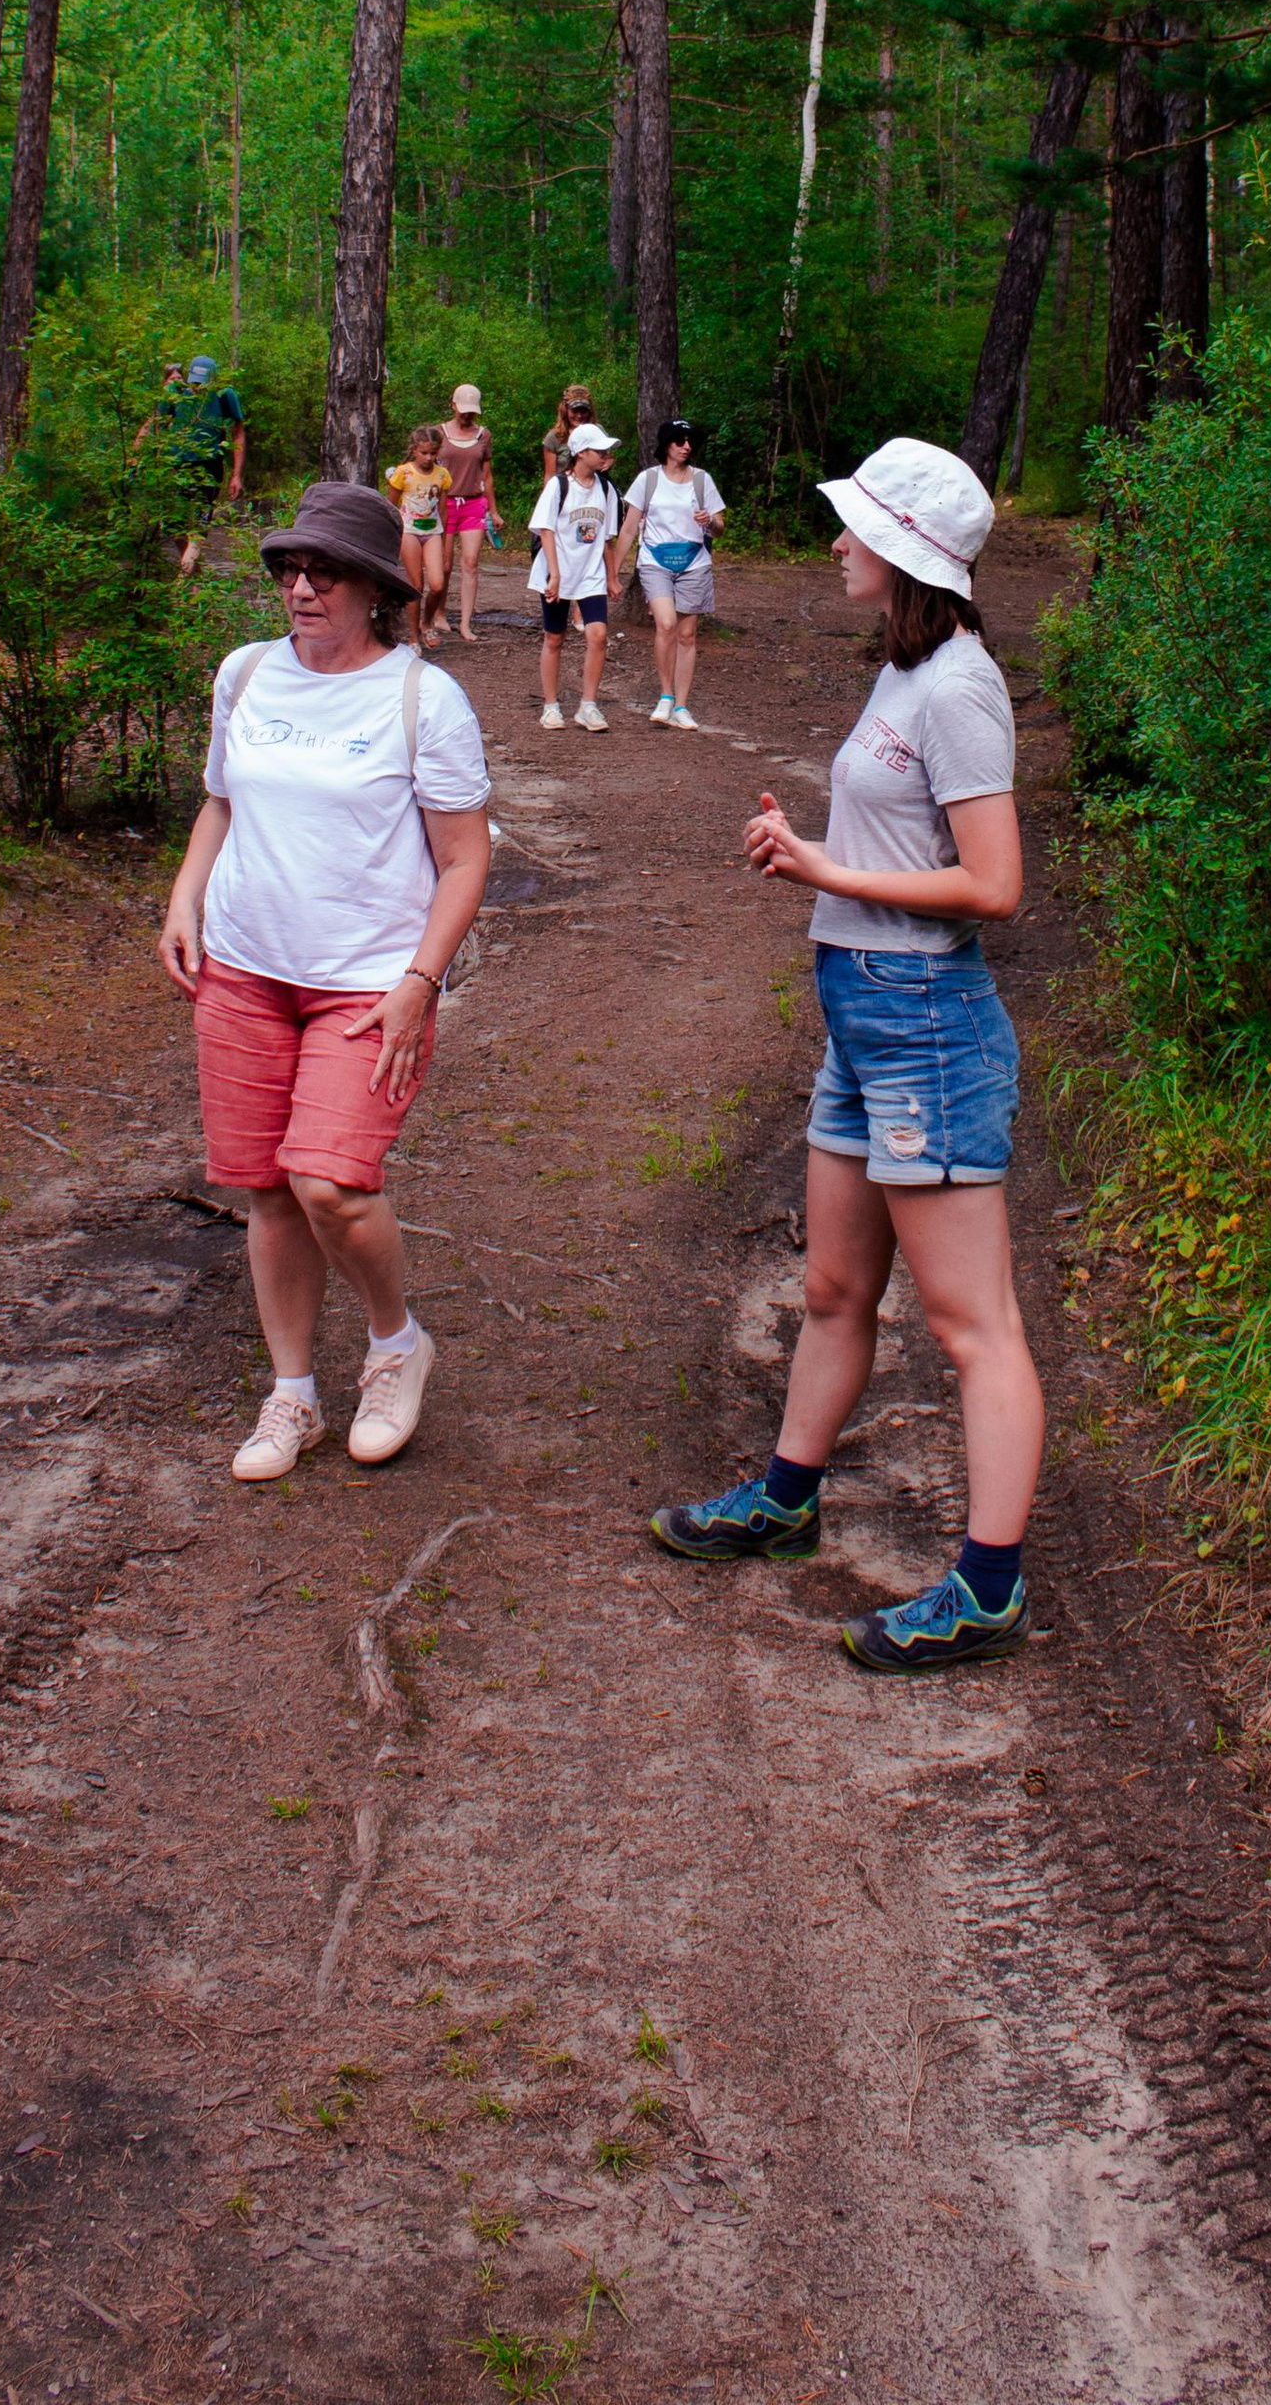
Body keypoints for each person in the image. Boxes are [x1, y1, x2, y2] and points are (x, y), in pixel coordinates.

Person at [649, 437, 1039, 1673]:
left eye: (852, 525)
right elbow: (903, 835)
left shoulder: (960, 689)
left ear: (907, 552)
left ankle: (987, 1589)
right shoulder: (903, 669)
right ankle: (785, 1499)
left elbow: (993, 884)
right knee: (831, 1290)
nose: (832, 541)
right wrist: (808, 844)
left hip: (924, 1017)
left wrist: (824, 869)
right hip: (864, 1016)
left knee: (972, 1325)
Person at [158, 479, 489, 1481]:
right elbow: (222, 802)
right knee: (263, 1189)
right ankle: (292, 1393)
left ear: (374, 587)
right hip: (247, 967)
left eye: (325, 572)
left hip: (367, 982)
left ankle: (395, 1345)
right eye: (290, 570)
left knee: (329, 1182)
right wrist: (183, 899)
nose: (301, 589)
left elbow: (466, 860)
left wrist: (420, 981)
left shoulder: (420, 697)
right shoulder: (246, 675)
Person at [615, 417, 725, 731]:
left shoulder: (702, 481)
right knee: (665, 624)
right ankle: (664, 695)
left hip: (694, 562)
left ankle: (681, 706)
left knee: (687, 635)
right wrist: (613, 572)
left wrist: (710, 522)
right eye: (680, 441)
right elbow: (627, 529)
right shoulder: (647, 480)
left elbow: (719, 526)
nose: (686, 446)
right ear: (666, 446)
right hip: (655, 560)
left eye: (690, 442)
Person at [528, 419, 620, 734]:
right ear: (581, 453)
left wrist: (612, 576)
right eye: (600, 451)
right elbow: (546, 529)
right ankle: (551, 706)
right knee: (554, 637)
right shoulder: (559, 486)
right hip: (558, 570)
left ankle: (588, 706)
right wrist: (554, 574)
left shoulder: (607, 489)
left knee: (598, 636)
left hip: (590, 574)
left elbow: (606, 537)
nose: (607, 456)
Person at [131, 355, 246, 574]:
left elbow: (238, 431)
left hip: (209, 469)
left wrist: (236, 475)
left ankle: (181, 587)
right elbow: (155, 423)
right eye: (193, 381)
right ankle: (195, 574)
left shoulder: (225, 395)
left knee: (198, 529)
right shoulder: (175, 394)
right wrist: (140, 458)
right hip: (177, 467)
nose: (197, 387)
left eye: (202, 383)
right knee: (175, 528)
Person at [435, 384, 495, 641]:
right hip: (444, 503)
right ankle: (438, 613)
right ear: (453, 405)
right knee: (445, 565)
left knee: (470, 562)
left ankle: (465, 623)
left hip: (473, 502)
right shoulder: (438, 433)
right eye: (463, 410)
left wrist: (494, 510)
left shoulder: (483, 435)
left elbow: (487, 475)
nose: (467, 415)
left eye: (472, 411)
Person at [384, 424, 448, 647]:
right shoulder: (404, 473)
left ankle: (427, 623)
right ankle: (413, 636)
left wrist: (446, 537)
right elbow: (390, 505)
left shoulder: (442, 475)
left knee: (438, 584)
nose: (429, 457)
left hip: (433, 532)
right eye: (424, 453)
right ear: (414, 450)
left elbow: (443, 509)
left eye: (433, 453)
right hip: (409, 530)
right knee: (416, 585)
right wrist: (391, 535)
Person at [540, 381, 599, 494]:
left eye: (583, 411)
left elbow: (609, 457)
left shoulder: (597, 431)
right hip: (565, 491)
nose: (579, 415)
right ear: (565, 410)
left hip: (594, 488)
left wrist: (608, 461)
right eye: (575, 411)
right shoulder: (554, 437)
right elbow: (549, 475)